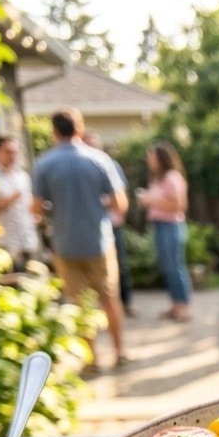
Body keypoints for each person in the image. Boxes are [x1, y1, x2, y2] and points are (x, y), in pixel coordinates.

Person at [31, 107, 128, 367]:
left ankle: (91, 358)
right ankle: (120, 351)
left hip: (65, 245)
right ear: (80, 128)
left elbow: (37, 210)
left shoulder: (44, 164)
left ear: (54, 132)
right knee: (109, 299)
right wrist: (96, 206)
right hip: (99, 242)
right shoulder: (99, 160)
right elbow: (120, 204)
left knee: (78, 304)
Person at [137, 143, 192, 322]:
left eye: (152, 157)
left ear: (161, 158)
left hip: (171, 226)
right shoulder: (157, 179)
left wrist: (152, 200)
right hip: (159, 225)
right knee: (167, 267)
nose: (149, 161)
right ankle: (175, 304)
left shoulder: (172, 178)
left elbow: (179, 205)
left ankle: (183, 306)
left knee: (175, 266)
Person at [83, 131, 136, 319]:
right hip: (91, 226)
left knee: (120, 265)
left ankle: (125, 303)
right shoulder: (80, 167)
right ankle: (99, 309)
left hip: (111, 223)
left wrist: (120, 214)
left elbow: (122, 193)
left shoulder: (110, 165)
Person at [0, 135, 40, 272]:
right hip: (3, 242)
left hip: (25, 239)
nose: (13, 156)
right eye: (8, 152)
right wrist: (8, 200)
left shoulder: (22, 176)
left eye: (15, 152)